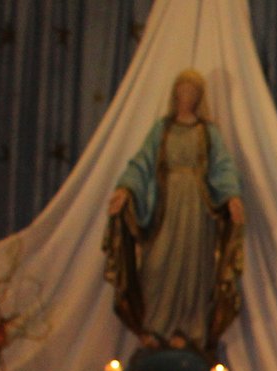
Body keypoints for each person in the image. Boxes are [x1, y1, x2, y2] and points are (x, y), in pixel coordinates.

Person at [104, 69, 245, 350]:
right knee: (157, 265)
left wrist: (232, 196)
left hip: (197, 211)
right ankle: (154, 329)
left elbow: (223, 167)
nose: (186, 97)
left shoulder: (207, 132)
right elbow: (142, 163)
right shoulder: (163, 129)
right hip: (165, 210)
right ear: (175, 94)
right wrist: (125, 189)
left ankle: (189, 331)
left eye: (192, 92)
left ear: (199, 97)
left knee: (194, 268)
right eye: (183, 91)